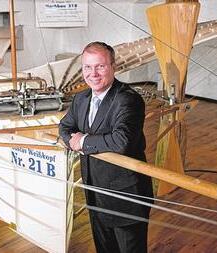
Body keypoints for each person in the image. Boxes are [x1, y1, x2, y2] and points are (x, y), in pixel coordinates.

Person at [59, 41, 153, 253]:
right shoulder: (81, 98)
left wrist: (82, 141)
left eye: (100, 66)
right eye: (87, 67)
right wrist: (71, 139)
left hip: (126, 197)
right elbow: (65, 126)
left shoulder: (127, 100)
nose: (93, 73)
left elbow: (122, 141)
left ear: (113, 66)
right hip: (95, 193)